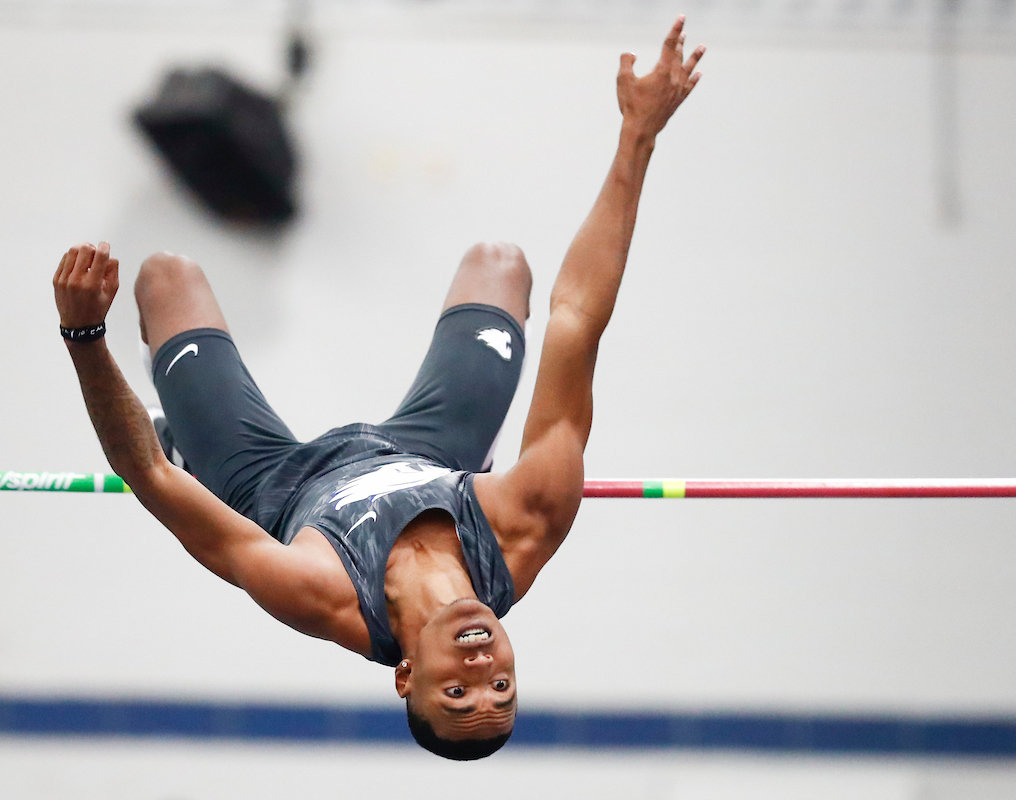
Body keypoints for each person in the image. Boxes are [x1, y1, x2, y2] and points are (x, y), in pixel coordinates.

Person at [53, 17, 703, 761]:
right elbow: (577, 319)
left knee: (167, 275)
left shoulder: (318, 592)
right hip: (430, 456)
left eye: (455, 692)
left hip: (272, 483)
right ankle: (474, 456)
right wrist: (638, 138)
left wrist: (84, 337)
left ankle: (202, 441)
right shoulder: (526, 525)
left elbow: (149, 476)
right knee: (501, 262)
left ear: (405, 677)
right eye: (503, 690)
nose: (482, 671)